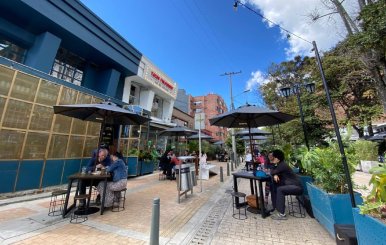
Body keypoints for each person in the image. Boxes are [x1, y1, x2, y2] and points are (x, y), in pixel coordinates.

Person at [270, 149, 303, 220]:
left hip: (296, 187)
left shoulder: (283, 165)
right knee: (274, 188)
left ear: (277, 158)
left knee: (280, 190)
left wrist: (274, 173)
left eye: (274, 157)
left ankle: (282, 214)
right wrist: (275, 174)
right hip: (291, 185)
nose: (272, 158)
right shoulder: (280, 164)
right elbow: (275, 172)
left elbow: (272, 172)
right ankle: (277, 208)